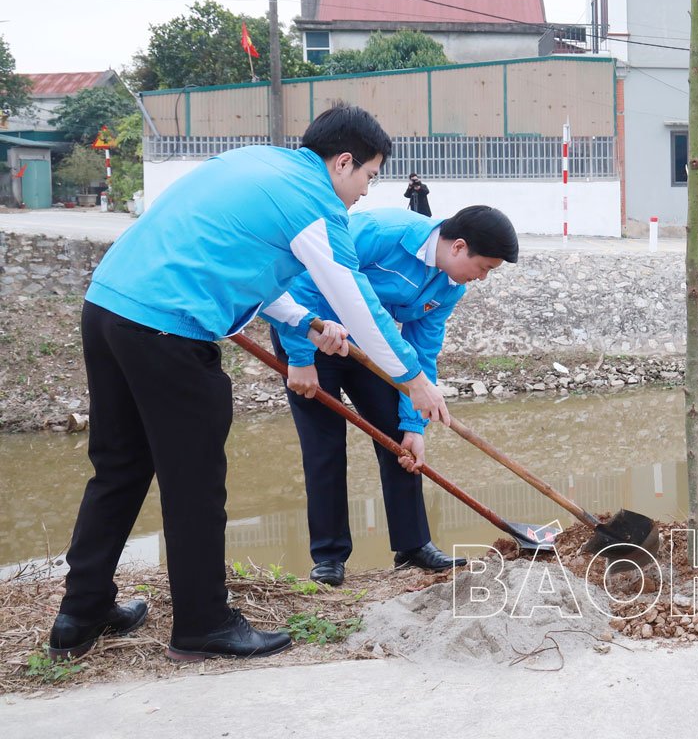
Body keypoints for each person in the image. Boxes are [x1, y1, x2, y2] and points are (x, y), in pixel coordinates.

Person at [49, 104, 451, 663]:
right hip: (168, 329)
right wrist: (413, 381)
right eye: (369, 175)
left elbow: (238, 262)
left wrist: (303, 321)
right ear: (343, 162)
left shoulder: (259, 164)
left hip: (109, 307)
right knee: (195, 482)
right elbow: (355, 300)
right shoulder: (315, 203)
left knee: (118, 468)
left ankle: (81, 612)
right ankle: (202, 624)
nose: (364, 191)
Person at [271, 205, 519, 586]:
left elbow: (421, 354)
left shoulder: (450, 286)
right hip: (313, 333)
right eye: (484, 267)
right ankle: (330, 556)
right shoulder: (380, 233)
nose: (482, 278)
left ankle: (412, 544)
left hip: (374, 348)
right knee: (325, 445)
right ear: (459, 248)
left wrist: (414, 425)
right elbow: (300, 281)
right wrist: (301, 357)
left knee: (399, 442)